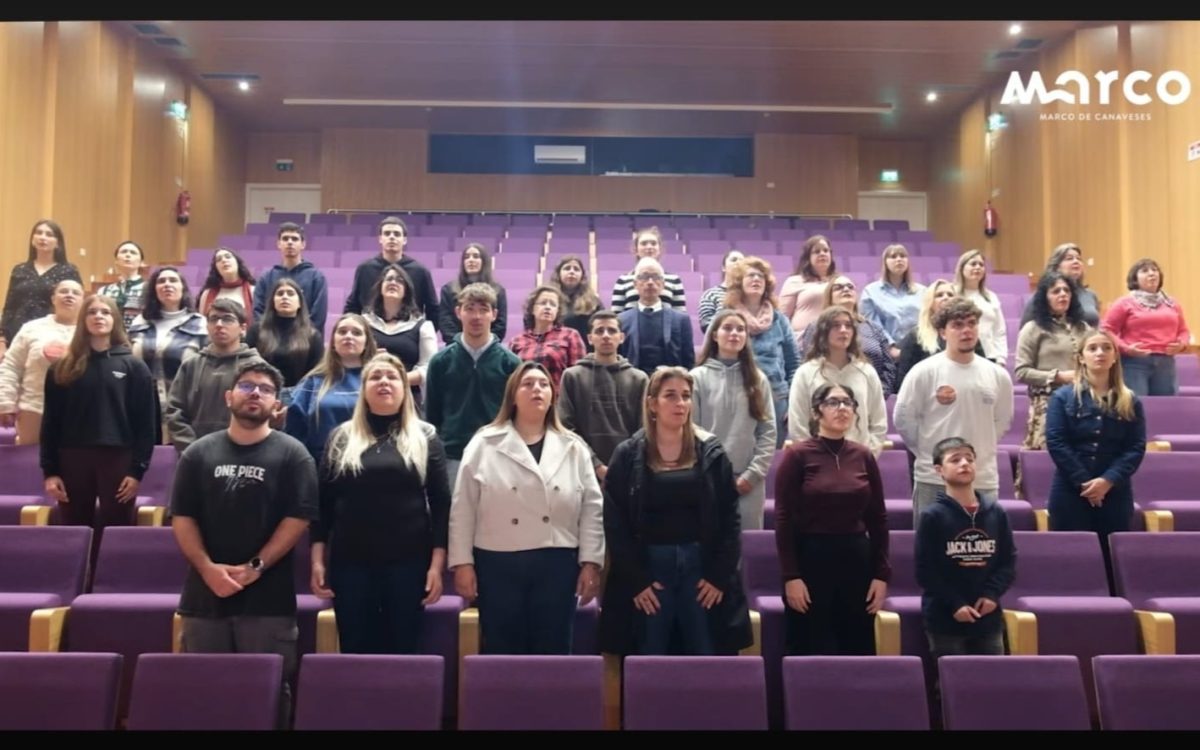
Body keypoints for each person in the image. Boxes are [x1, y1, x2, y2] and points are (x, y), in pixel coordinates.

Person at [170, 361, 318, 729]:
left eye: (266, 390)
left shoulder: (294, 455)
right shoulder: (198, 453)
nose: (255, 394)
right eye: (247, 386)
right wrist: (207, 569)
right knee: (205, 693)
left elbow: (298, 518)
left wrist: (255, 568)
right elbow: (183, 517)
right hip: (204, 598)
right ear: (228, 396)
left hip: (268, 601)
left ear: (277, 405)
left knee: (268, 693)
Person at [449, 361, 605, 654]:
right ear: (512, 395)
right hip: (498, 560)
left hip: (557, 559)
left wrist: (591, 562)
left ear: (553, 396)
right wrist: (463, 563)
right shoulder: (484, 443)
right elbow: (463, 507)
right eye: (528, 384)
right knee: (502, 647)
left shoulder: (573, 446)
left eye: (544, 384)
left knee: (554, 647)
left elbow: (591, 508)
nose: (537, 389)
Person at [600, 366, 752, 656]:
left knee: (705, 653)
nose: (680, 403)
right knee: (649, 653)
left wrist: (718, 576)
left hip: (701, 569)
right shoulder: (627, 454)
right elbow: (615, 523)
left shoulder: (711, 451)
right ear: (652, 403)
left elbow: (730, 518)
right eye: (670, 395)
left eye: (685, 396)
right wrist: (636, 580)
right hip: (649, 569)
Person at [310, 353, 451, 654]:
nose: (384, 382)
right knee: (355, 649)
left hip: (408, 564)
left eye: (392, 377)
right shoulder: (341, 437)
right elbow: (323, 505)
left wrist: (436, 566)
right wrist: (318, 561)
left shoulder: (426, 436)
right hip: (351, 564)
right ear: (363, 390)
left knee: (403, 649)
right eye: (375, 377)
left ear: (404, 388)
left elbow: (441, 505)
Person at [774, 383, 889, 655]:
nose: (842, 409)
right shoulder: (797, 455)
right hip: (811, 559)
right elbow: (784, 518)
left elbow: (878, 518)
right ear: (817, 412)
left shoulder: (863, 455)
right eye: (833, 403)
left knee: (857, 644)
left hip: (856, 559)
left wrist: (881, 575)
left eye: (848, 403)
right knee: (811, 643)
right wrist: (791, 576)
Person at [40, 294, 156, 534]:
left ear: (115, 320)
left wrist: (136, 471)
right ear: (83, 320)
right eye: (92, 312)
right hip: (72, 458)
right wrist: (50, 472)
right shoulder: (62, 368)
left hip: (118, 457)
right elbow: (50, 423)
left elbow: (146, 424)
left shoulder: (134, 367)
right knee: (74, 530)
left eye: (105, 312)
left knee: (116, 529)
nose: (98, 317)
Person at [894, 298, 1014, 520]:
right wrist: (929, 452)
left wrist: (980, 447)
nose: (966, 330)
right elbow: (903, 419)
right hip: (933, 478)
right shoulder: (923, 371)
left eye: (971, 323)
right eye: (957, 325)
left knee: (983, 540)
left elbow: (1001, 422)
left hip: (982, 478)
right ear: (943, 332)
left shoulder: (998, 375)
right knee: (932, 541)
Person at [1045, 329, 1147, 586]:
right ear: (1081, 357)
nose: (1100, 353)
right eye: (1092, 348)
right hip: (1070, 490)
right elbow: (1056, 442)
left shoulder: (1130, 400)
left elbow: (1135, 447)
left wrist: (1107, 481)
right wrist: (1085, 483)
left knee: (1111, 562)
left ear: (1115, 357)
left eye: (1106, 348)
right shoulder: (1063, 397)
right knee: (1070, 560)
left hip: (1115, 491)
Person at [425, 283, 521, 490]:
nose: (476, 316)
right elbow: (432, 416)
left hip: (498, 454)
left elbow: (517, 415)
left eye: (483, 310)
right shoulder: (440, 362)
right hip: (453, 456)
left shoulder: (511, 364)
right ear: (458, 312)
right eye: (469, 309)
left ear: (494, 315)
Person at [691, 309, 777, 530]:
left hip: (748, 483)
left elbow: (768, 432)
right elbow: (692, 430)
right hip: (708, 479)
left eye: (740, 329)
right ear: (714, 335)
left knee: (747, 544)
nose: (734, 334)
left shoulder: (758, 379)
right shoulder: (696, 378)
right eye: (727, 328)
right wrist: (709, 474)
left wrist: (752, 475)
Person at [557, 310, 648, 480]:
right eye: (599, 331)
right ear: (590, 338)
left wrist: (623, 465)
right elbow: (565, 426)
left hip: (627, 470)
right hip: (582, 469)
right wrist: (596, 465)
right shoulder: (572, 376)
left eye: (612, 331)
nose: (606, 336)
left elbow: (643, 429)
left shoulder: (639, 378)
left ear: (621, 337)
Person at [165, 299, 265, 453]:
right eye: (213, 319)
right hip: (194, 454)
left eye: (227, 319)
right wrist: (193, 449)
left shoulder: (257, 367)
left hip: (242, 454)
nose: (219, 324)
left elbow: (262, 413)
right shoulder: (191, 365)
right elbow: (174, 411)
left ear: (243, 328)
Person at [789, 307, 887, 456]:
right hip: (817, 460)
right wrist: (812, 459)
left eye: (848, 325)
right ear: (823, 331)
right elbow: (798, 423)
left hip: (858, 459)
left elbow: (879, 422)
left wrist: (868, 455)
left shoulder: (867, 372)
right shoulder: (806, 373)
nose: (843, 330)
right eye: (836, 325)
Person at [128, 267, 208, 443]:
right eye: (161, 281)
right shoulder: (140, 321)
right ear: (154, 289)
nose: (167, 285)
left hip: (183, 408)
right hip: (144, 406)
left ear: (183, 287)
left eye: (173, 280)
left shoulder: (200, 323)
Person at [0, 278, 83, 444]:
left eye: (75, 293)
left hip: (79, 411)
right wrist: (5, 401)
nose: (69, 295)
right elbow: (11, 366)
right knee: (30, 458)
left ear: (83, 300)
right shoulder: (32, 328)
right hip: (34, 409)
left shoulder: (89, 332)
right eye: (63, 291)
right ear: (53, 298)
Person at [287, 313, 376, 462]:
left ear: (367, 342)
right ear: (333, 341)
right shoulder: (313, 381)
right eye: (342, 331)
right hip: (320, 463)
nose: (349, 336)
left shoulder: (378, 380)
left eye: (356, 333)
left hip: (369, 462)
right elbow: (295, 429)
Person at [1014, 272, 1088, 450]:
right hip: (1049, 403)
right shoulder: (1033, 329)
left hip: (1084, 401)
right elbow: (1021, 371)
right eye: (1056, 291)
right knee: (1050, 456)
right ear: (1044, 297)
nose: (1063, 294)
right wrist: (1058, 376)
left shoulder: (1084, 328)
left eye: (1066, 290)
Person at [1102, 258, 1191, 397]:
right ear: (1135, 279)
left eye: (1154, 270)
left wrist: (1182, 344)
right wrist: (1125, 348)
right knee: (1136, 405)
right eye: (1145, 271)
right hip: (1134, 363)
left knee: (1166, 406)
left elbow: (1183, 330)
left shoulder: (1172, 303)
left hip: (1166, 362)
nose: (1151, 273)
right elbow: (1107, 329)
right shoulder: (1124, 303)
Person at [0, 219, 81, 360]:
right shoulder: (20, 270)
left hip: (50, 335)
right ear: (32, 240)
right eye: (39, 233)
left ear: (58, 243)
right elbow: (9, 307)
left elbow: (76, 306)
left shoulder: (68, 271)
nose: (43, 237)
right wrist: (2, 340)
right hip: (16, 332)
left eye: (49, 234)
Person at [344, 216, 437, 322]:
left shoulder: (420, 271)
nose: (392, 237)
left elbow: (433, 309)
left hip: (409, 329)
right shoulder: (364, 269)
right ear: (380, 239)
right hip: (371, 329)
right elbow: (353, 306)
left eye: (397, 234)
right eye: (387, 233)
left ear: (404, 240)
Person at [245, 278, 324, 401]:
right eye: (280, 293)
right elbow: (246, 366)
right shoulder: (256, 331)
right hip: (260, 394)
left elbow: (316, 375)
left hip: (298, 397)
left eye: (290, 294)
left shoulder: (313, 336)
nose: (285, 297)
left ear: (300, 303)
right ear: (272, 301)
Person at [617, 257, 695, 374]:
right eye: (644, 277)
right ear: (635, 284)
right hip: (633, 381)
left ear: (663, 284)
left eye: (655, 277)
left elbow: (688, 362)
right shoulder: (621, 320)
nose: (650, 282)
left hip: (670, 381)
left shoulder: (681, 320)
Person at [252, 222, 330, 334]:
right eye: (285, 239)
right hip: (271, 339)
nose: (289, 242)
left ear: (303, 244)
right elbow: (258, 312)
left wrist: (296, 336)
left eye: (294, 239)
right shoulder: (266, 278)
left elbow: (318, 317)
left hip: (305, 339)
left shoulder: (317, 277)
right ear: (278, 244)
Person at [508, 286, 586, 390]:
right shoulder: (516, 341)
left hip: (559, 398)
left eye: (553, 304)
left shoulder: (570, 335)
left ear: (558, 311)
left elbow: (579, 376)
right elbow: (510, 379)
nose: (548, 307)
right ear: (532, 309)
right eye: (543, 303)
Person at [437, 242, 506, 343]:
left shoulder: (498, 290)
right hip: (456, 346)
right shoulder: (449, 289)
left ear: (484, 261)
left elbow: (500, 325)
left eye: (476, 256)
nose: (471, 260)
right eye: (467, 257)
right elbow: (446, 323)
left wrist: (483, 343)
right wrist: (462, 344)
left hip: (489, 347)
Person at [1018, 243, 1100, 328]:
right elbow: (1025, 330)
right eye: (1069, 258)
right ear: (1056, 266)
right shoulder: (1043, 295)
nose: (1076, 261)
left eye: (1079, 258)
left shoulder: (1090, 295)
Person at [609, 226, 687, 312]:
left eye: (653, 243)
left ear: (660, 249)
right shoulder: (623, 280)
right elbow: (616, 315)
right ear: (636, 249)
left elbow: (680, 314)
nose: (649, 247)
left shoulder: (674, 279)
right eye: (644, 243)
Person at [860, 243, 925, 345]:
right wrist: (890, 346)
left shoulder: (922, 291)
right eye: (893, 256)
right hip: (885, 348)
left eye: (903, 256)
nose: (899, 259)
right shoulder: (870, 292)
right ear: (885, 262)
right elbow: (872, 324)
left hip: (919, 346)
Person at [952, 249, 1007, 367]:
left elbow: (999, 330)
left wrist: (1001, 358)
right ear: (962, 268)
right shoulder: (952, 294)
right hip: (959, 356)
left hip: (989, 356)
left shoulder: (991, 297)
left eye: (981, 265)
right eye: (973, 264)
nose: (977, 267)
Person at [547, 255, 601, 346]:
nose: (572, 272)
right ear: (558, 273)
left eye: (576, 269)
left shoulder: (593, 302)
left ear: (582, 276)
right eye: (567, 268)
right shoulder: (548, 298)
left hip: (585, 349)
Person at [197, 248, 256, 323]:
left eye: (228, 257)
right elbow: (202, 325)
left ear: (237, 262)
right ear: (216, 268)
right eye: (218, 259)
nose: (224, 260)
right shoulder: (207, 294)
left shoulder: (253, 291)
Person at [98, 240, 147, 328]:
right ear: (116, 261)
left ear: (141, 262)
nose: (128, 255)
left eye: (133, 253)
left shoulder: (149, 289)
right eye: (124, 252)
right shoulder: (103, 291)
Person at [697, 249, 745, 332]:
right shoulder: (711, 294)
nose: (738, 263)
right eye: (733, 260)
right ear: (723, 268)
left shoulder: (749, 295)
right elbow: (706, 324)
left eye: (742, 261)